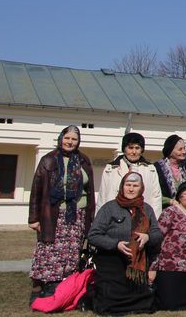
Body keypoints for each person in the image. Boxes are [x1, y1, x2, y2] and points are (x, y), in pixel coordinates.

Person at [28, 125, 96, 302]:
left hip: (77, 214)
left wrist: (90, 218)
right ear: (61, 138)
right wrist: (34, 218)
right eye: (67, 138)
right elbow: (37, 189)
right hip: (53, 213)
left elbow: (89, 191)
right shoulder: (48, 160)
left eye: (74, 139)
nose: (70, 142)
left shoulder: (84, 161)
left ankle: (65, 286)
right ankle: (44, 287)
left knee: (72, 252)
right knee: (49, 250)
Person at [88, 172, 163, 315]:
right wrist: (116, 244)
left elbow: (157, 234)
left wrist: (148, 237)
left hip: (136, 265)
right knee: (108, 304)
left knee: (146, 304)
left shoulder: (147, 209)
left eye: (135, 185)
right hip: (111, 262)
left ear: (141, 188)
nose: (131, 189)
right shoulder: (109, 208)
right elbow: (93, 235)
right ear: (122, 187)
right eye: (128, 185)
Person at [149, 181, 186, 311]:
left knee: (183, 306)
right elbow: (156, 240)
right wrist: (153, 266)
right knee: (168, 305)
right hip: (168, 266)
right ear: (179, 197)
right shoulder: (170, 212)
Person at [98, 132, 163, 217]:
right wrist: (100, 219)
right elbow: (102, 196)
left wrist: (154, 220)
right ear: (124, 149)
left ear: (142, 150)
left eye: (137, 148)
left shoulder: (150, 169)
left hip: (141, 217)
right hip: (114, 217)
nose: (134, 152)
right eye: (130, 148)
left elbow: (156, 197)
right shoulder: (110, 169)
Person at [155, 134, 186, 210]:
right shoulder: (157, 168)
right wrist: (170, 201)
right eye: (180, 149)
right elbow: (154, 193)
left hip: (181, 210)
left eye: (184, 148)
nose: (184, 152)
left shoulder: (184, 168)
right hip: (163, 210)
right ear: (170, 151)